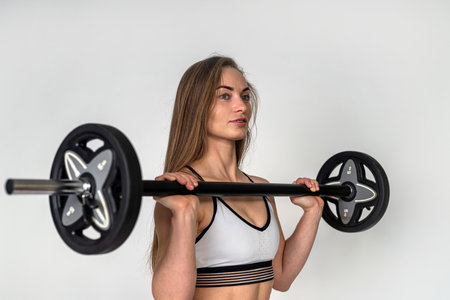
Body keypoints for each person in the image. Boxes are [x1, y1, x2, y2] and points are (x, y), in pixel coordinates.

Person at [151, 56, 324, 300]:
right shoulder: (180, 193)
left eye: (244, 96)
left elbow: (282, 278)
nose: (241, 106)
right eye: (225, 96)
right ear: (196, 106)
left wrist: (313, 213)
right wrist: (184, 213)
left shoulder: (261, 189)